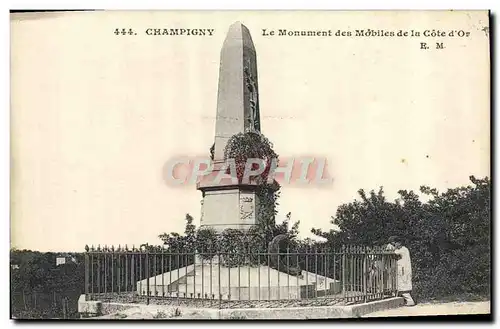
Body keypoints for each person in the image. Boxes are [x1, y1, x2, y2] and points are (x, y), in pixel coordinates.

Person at [386, 236, 416, 306]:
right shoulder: (403, 249)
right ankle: (405, 300)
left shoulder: (403, 249)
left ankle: (410, 301)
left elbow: (393, 253)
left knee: (403, 285)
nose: (394, 245)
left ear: (399, 243)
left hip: (403, 270)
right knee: (400, 285)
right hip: (402, 270)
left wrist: (389, 248)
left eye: (395, 243)